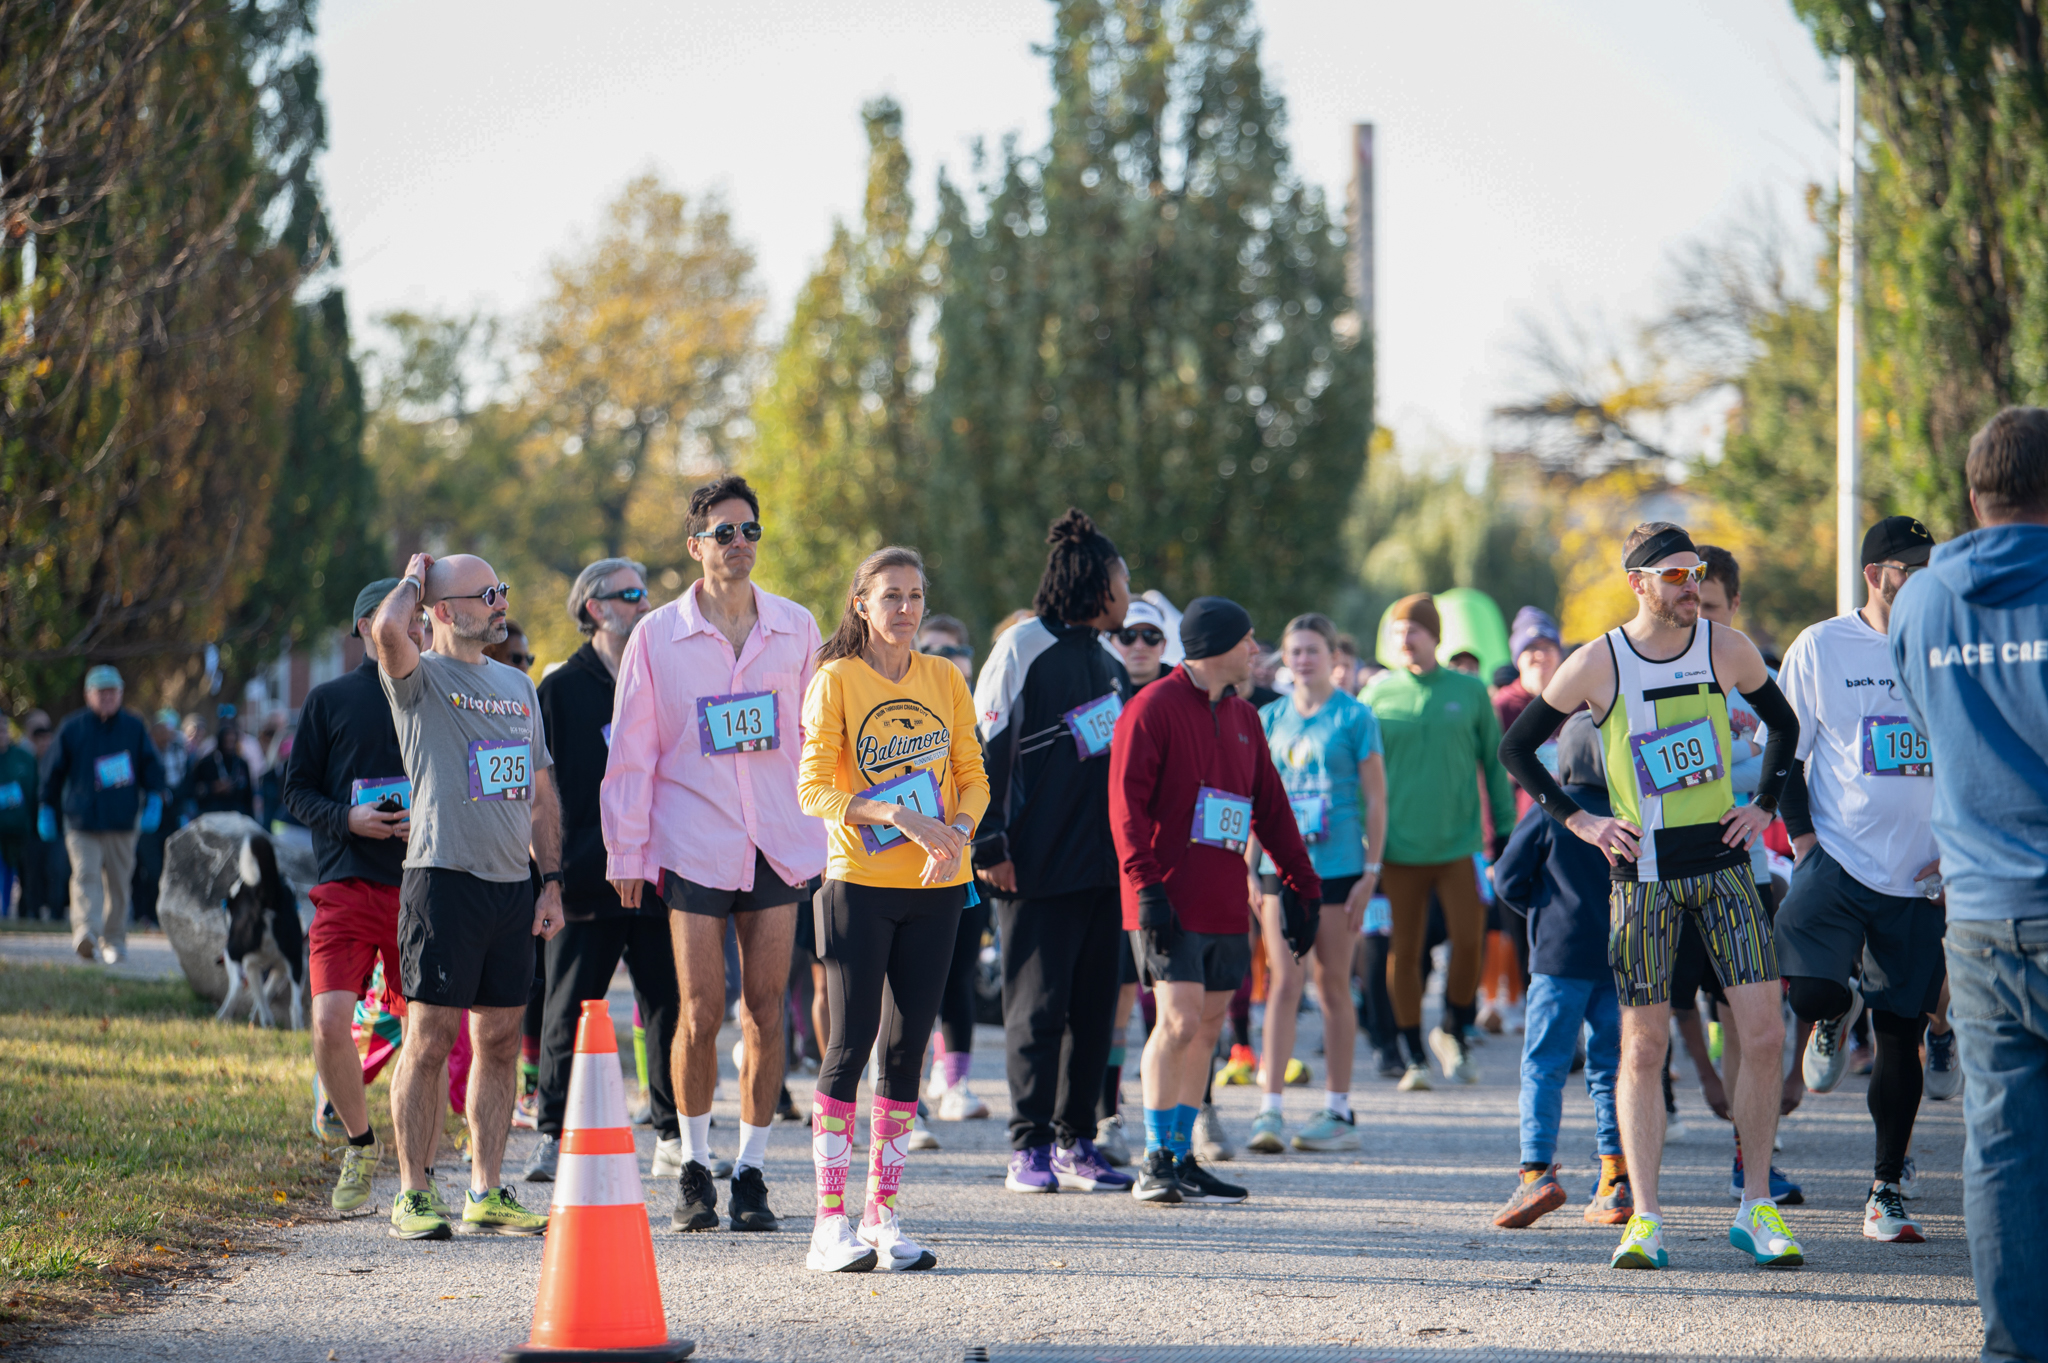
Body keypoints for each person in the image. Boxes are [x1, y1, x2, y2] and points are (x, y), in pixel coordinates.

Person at [1498, 521, 1803, 1272]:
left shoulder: (1725, 647)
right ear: (1638, 583)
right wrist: (1582, 819)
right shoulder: (1597, 661)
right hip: (1644, 879)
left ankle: (1756, 1204)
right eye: (1673, 575)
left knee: (1762, 1036)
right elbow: (1516, 748)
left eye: (1694, 572)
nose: (1690, 586)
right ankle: (1648, 1217)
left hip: (1727, 866)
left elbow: (1787, 724)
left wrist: (1764, 803)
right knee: (1643, 1046)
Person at [603, 477, 828, 1235]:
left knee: (765, 1009)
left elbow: (817, 740)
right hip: (693, 840)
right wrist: (625, 850)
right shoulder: (656, 636)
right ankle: (695, 1165)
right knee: (699, 1012)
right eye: (724, 532)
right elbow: (631, 753)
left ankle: (754, 1169)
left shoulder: (797, 627)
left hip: (777, 837)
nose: (739, 544)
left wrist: (830, 830)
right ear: (695, 545)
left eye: (750, 531)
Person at [1888, 405, 2048, 1361]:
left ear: (1973, 497)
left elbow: (1930, 722)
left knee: (2000, 1146)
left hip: (1982, 911)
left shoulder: (1921, 603)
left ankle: (2012, 1346)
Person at [795, 545, 987, 1272]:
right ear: (861, 604)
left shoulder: (946, 676)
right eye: (891, 596)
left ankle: (884, 1216)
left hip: (940, 886)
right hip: (858, 883)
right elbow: (813, 789)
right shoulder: (835, 679)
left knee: (908, 1049)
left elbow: (972, 774)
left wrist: (956, 832)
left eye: (914, 595)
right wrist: (900, 817)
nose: (905, 608)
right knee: (851, 1042)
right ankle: (828, 1225)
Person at [371, 552, 558, 1241]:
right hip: (442, 880)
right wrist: (415, 578)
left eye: (502, 588)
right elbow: (390, 629)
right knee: (429, 1038)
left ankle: (486, 1188)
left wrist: (553, 881)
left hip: (512, 887)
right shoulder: (419, 677)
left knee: (502, 1040)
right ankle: (414, 1192)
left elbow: (539, 793)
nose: (501, 600)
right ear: (444, 611)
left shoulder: (517, 683)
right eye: (487, 593)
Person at [1109, 596, 1319, 1205]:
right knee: (1176, 1021)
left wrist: (1306, 887)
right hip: (1165, 898)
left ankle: (1180, 1154)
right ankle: (1153, 1159)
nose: (1257, 651)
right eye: (1247, 640)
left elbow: (1272, 811)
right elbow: (1125, 812)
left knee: (1206, 1028)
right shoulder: (1151, 709)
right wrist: (1145, 888)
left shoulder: (1246, 718)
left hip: (1225, 897)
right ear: (1215, 647)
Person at [1770, 515, 1944, 1245]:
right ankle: (1834, 1014)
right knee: (1811, 986)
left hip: (1922, 879)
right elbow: (1785, 750)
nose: (1928, 581)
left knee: (1903, 1035)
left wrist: (1960, 850)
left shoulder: (1948, 647)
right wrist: (1806, 842)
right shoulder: (1821, 645)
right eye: (1914, 570)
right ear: (1878, 573)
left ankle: (1883, 1193)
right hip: (1837, 860)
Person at [971, 509, 1135, 1195]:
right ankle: (1029, 1145)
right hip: (1031, 867)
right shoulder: (1021, 646)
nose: (1128, 595)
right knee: (1036, 1010)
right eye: (1123, 582)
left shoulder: (1109, 659)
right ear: (1095, 584)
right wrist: (989, 841)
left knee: (1094, 1009)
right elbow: (979, 749)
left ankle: (1078, 1140)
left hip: (1103, 871)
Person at [527, 559, 685, 1194]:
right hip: (586, 879)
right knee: (568, 1008)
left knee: (672, 1006)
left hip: (659, 875)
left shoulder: (666, 676)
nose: (644, 603)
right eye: (630, 594)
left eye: (646, 593)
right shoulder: (561, 688)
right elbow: (543, 788)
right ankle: (552, 1133)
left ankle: (675, 1136)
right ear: (595, 608)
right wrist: (552, 875)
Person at [284, 578, 420, 1214]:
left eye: (417, 618)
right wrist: (348, 819)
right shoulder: (329, 699)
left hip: (420, 883)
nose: (411, 628)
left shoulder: (437, 692)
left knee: (426, 1030)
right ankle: (360, 1144)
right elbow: (295, 792)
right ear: (368, 626)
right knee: (330, 1021)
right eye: (399, 618)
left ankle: (419, 1173)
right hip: (344, 883)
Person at [1244, 613, 1385, 1155]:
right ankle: (1269, 1108)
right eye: (1294, 651)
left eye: (1312, 650)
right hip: (1279, 869)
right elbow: (1258, 799)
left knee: (1331, 986)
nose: (1303, 660)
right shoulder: (1270, 717)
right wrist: (1251, 864)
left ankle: (1338, 1108)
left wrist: (1372, 872)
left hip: (1340, 867)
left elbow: (1376, 799)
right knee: (1282, 982)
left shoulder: (1356, 717)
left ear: (1333, 656)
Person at [1362, 594, 1516, 1088]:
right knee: (1403, 953)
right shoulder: (1378, 695)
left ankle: (1452, 1027)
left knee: (1470, 943)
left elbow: (1494, 766)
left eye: (1415, 632)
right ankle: (1413, 1055)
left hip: (1460, 845)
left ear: (1435, 637)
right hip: (1398, 850)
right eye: (1398, 634)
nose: (1406, 641)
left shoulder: (1469, 693)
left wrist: (1506, 833)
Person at [1688, 546, 1803, 1202]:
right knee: (1641, 1026)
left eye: (1708, 606)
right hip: (1665, 876)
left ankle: (1746, 1158)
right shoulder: (1657, 671)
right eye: (1689, 604)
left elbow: (1794, 756)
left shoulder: (1759, 679)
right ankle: (1617, 1168)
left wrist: (1760, 804)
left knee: (1745, 1017)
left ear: (1732, 606)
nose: (1695, 617)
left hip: (1746, 872)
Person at [1490, 712, 1630, 1229]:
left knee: (1544, 1066)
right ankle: (1616, 1180)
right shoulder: (1630, 813)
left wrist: (1541, 910)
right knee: (1610, 1071)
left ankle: (1535, 1175)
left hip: (1557, 957)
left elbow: (1507, 878)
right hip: (1620, 958)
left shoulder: (1550, 812)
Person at [916, 612, 991, 1126]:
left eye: (954, 654)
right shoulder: (897, 712)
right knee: (904, 987)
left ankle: (956, 1084)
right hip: (903, 869)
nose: (945, 662)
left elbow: (984, 786)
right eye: (933, 651)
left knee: (959, 976)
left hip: (964, 866)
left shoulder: (977, 721)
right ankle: (908, 1093)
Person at [39, 666, 165, 965]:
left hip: (122, 822)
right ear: (88, 695)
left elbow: (151, 767)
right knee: (85, 876)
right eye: (101, 692)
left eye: (113, 691)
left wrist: (156, 798)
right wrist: (46, 805)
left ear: (121, 694)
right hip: (82, 822)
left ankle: (115, 940)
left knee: (119, 884)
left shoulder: (134, 728)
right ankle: (87, 931)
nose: (107, 697)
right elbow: (52, 771)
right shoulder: (72, 728)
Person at [0, 716, 40, 917]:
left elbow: (33, 793)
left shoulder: (23, 758)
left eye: (3, 729)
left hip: (19, 831)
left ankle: (9, 911)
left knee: (17, 874)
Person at [183, 707, 255, 817]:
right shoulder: (206, 763)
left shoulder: (241, 764)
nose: (229, 745)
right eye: (226, 741)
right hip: (211, 815)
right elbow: (193, 789)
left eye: (232, 741)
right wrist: (212, 788)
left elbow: (248, 795)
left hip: (237, 816)